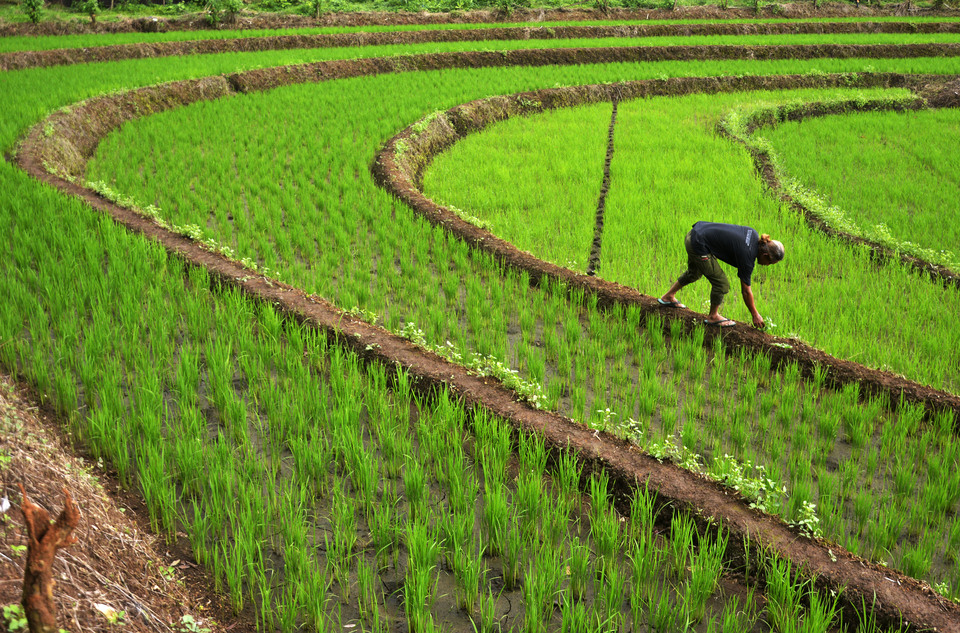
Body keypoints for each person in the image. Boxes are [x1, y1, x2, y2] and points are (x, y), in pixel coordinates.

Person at [658, 221, 784, 329]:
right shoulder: (748, 257)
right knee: (721, 284)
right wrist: (755, 314)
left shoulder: (753, 233)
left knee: (694, 273)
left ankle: (668, 296)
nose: (767, 266)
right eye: (770, 263)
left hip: (693, 234)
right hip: (698, 245)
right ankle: (713, 316)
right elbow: (746, 291)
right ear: (765, 255)